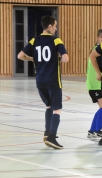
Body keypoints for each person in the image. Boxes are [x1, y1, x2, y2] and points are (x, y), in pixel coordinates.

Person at [17, 16, 69, 149]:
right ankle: (52, 137)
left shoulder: (34, 40)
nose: (56, 28)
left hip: (40, 80)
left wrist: (32, 58)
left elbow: (20, 56)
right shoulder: (56, 40)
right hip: (53, 80)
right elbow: (65, 59)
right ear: (50, 26)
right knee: (57, 109)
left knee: (49, 106)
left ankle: (47, 133)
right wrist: (58, 56)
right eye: (55, 26)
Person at [86, 29, 102, 138]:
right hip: (96, 85)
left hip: (98, 85)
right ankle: (98, 130)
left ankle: (92, 130)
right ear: (97, 38)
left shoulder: (99, 51)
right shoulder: (97, 51)